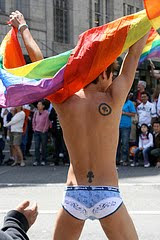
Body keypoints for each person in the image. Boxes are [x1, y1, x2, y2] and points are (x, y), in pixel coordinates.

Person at [9, 10, 150, 240]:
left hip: (75, 194)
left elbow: (40, 64)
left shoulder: (65, 100)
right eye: (112, 75)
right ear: (105, 74)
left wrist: (23, 27)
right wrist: (149, 18)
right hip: (108, 193)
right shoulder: (113, 99)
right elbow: (133, 56)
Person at [116, 93, 136, 166]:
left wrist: (124, 113)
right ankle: (116, 160)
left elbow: (133, 114)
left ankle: (125, 159)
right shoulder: (117, 101)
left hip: (126, 126)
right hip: (117, 125)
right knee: (116, 144)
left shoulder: (130, 103)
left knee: (125, 143)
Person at [32, 100, 50, 166]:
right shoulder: (36, 112)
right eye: (38, 104)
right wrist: (34, 128)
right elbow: (33, 121)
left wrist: (44, 129)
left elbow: (47, 122)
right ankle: (37, 160)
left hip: (43, 132)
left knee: (43, 146)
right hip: (36, 131)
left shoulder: (46, 113)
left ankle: (43, 159)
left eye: (39, 104)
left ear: (43, 106)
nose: (38, 105)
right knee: (36, 146)